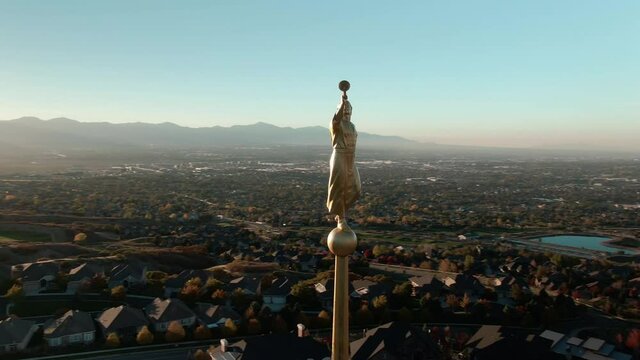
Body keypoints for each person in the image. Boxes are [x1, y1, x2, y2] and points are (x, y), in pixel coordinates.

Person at [327, 93, 361, 229]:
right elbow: (336, 119)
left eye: (348, 110)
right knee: (339, 186)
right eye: (344, 110)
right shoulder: (336, 124)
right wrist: (342, 104)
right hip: (339, 155)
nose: (347, 112)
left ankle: (342, 212)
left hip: (350, 156)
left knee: (355, 187)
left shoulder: (352, 125)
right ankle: (341, 217)